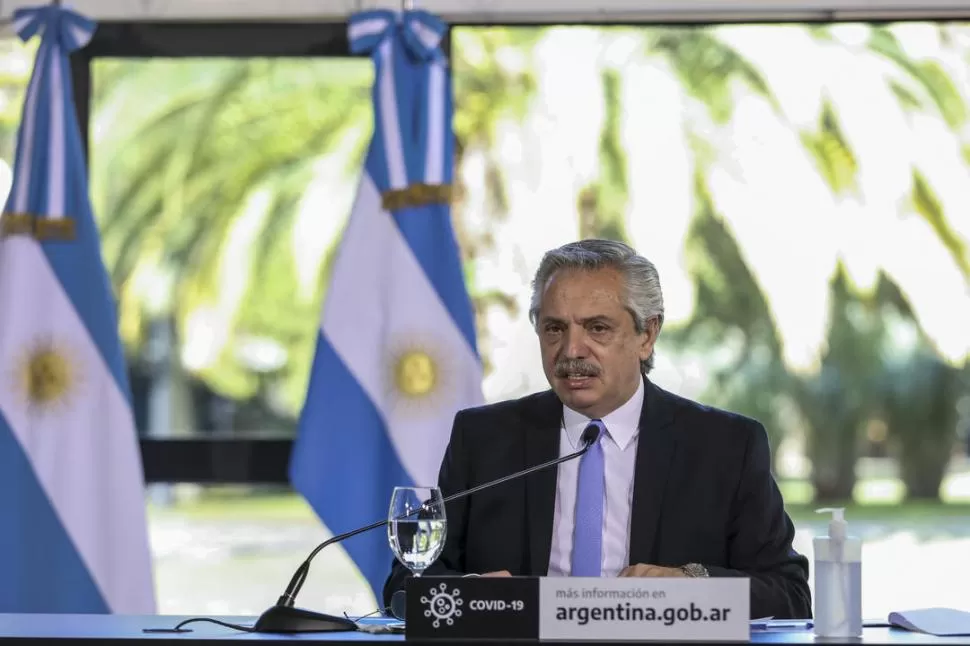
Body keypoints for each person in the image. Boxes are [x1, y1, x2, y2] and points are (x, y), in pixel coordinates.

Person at [383, 239, 811, 620]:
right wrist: (468, 595)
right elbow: (406, 581)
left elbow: (789, 594)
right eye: (554, 329)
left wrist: (692, 583)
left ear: (648, 335)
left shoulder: (725, 448)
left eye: (597, 328)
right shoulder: (484, 439)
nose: (571, 350)